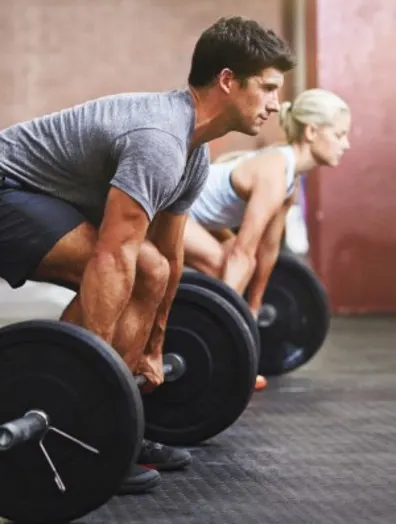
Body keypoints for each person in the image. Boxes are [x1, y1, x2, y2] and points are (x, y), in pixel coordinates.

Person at [0, 17, 295, 494]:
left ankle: (112, 427)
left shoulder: (192, 154)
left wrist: (155, 347)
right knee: (129, 268)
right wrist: (93, 375)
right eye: (266, 88)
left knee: (151, 267)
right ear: (227, 80)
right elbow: (114, 258)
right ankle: (84, 422)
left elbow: (170, 257)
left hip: (41, 197)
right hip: (7, 188)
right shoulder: (159, 139)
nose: (275, 105)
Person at [183, 88, 351, 390]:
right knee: (225, 264)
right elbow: (242, 255)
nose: (346, 144)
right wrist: (233, 335)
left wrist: (255, 308)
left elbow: (267, 252)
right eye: (339, 135)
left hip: (201, 219)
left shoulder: (289, 178)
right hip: (171, 208)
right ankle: (218, 350)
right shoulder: (275, 171)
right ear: (312, 131)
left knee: (236, 270)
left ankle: (225, 341)